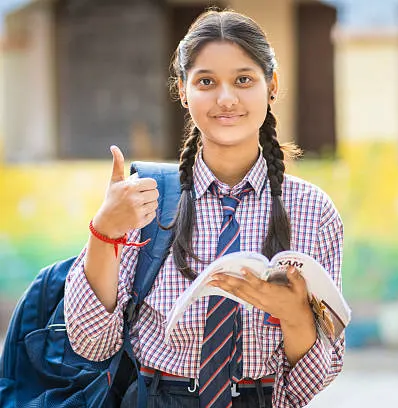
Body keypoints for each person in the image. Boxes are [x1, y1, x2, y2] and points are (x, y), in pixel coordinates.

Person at [63, 9, 345, 408]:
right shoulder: (143, 199)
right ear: (183, 90)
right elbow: (91, 343)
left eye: (243, 80)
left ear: (272, 85)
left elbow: (307, 385)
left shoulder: (312, 211)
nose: (226, 98)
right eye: (206, 82)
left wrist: (294, 315)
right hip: (155, 397)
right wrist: (104, 229)